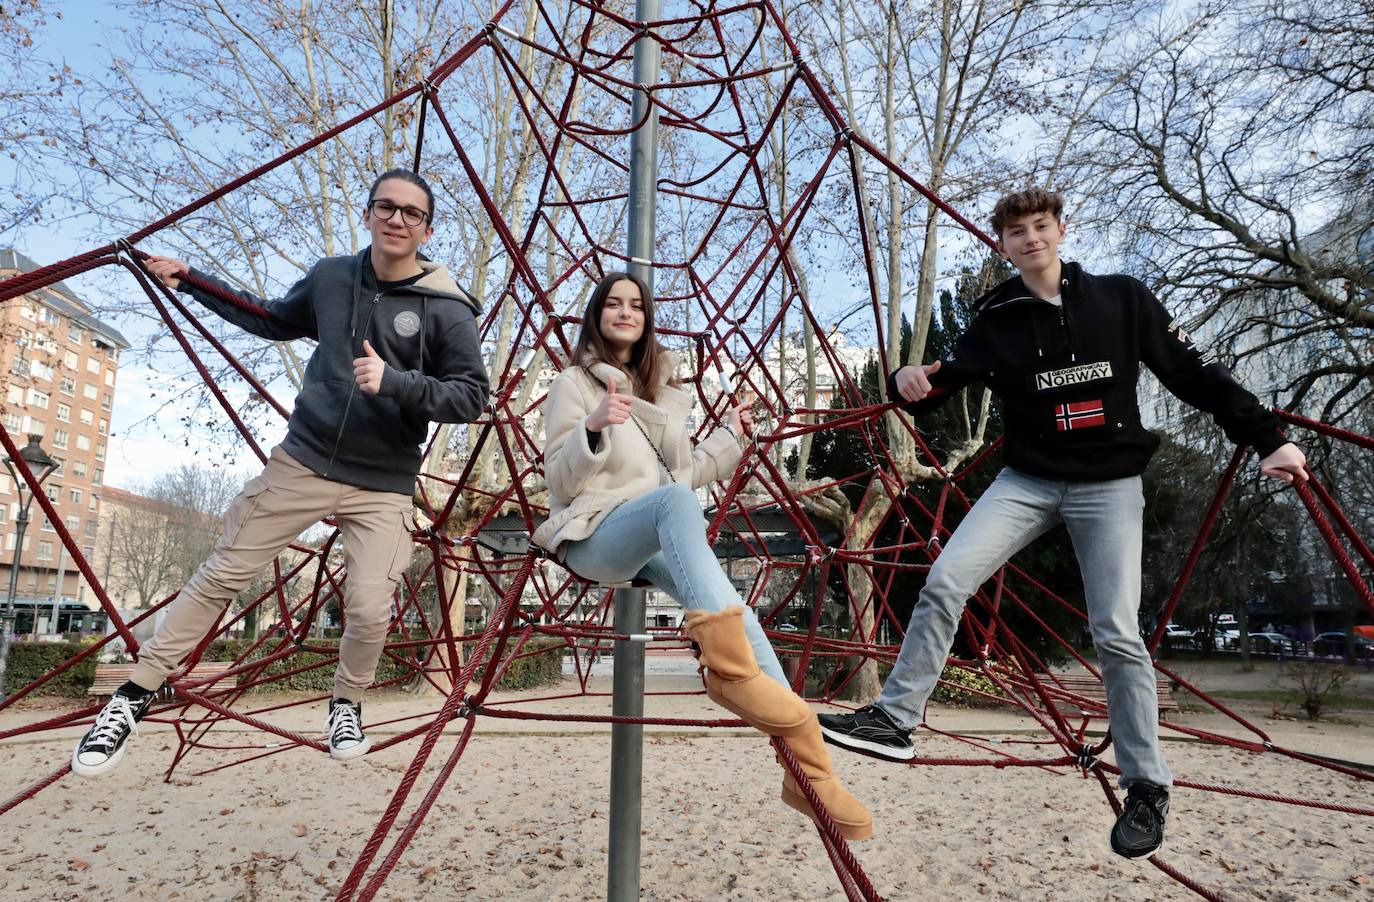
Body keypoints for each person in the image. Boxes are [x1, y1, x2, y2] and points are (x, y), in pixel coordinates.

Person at [818, 187, 1307, 858]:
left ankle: (1147, 787)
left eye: (1040, 226)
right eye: (1016, 231)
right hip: (1029, 482)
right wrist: (907, 379)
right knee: (945, 580)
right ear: (1003, 244)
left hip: (1108, 485)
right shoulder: (999, 319)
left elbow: (1196, 374)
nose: (1030, 239)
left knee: (1114, 630)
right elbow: (944, 381)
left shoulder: (1122, 300)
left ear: (1060, 230)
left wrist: (1269, 438)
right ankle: (897, 717)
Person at [72, 170, 490, 776]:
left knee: (370, 607)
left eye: (411, 214)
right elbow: (268, 318)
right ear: (369, 214)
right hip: (306, 460)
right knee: (223, 573)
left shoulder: (446, 309)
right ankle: (133, 694)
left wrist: (395, 382)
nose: (397, 220)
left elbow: (471, 396)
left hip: (384, 480)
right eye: (386, 208)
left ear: (428, 229)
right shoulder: (331, 278)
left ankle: (345, 700)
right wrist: (191, 280)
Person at [532, 272, 873, 840]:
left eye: (635, 305)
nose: (624, 312)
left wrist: (730, 439)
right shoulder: (575, 384)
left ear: (647, 319)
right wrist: (590, 430)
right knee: (675, 507)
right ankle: (733, 678)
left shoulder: (664, 393)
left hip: (650, 531)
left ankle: (810, 771)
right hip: (592, 534)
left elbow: (681, 475)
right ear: (596, 315)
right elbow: (559, 482)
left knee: (735, 609)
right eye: (613, 304)